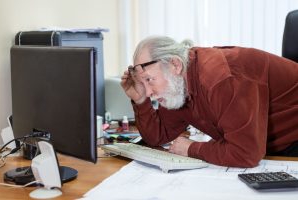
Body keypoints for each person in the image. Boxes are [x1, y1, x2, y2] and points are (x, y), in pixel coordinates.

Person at [120, 36, 298, 167]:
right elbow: (157, 137)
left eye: (150, 80)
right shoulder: (177, 85)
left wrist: (192, 149)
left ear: (175, 65)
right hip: (269, 149)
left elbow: (246, 153)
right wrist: (140, 99)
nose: (149, 92)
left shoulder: (221, 78)